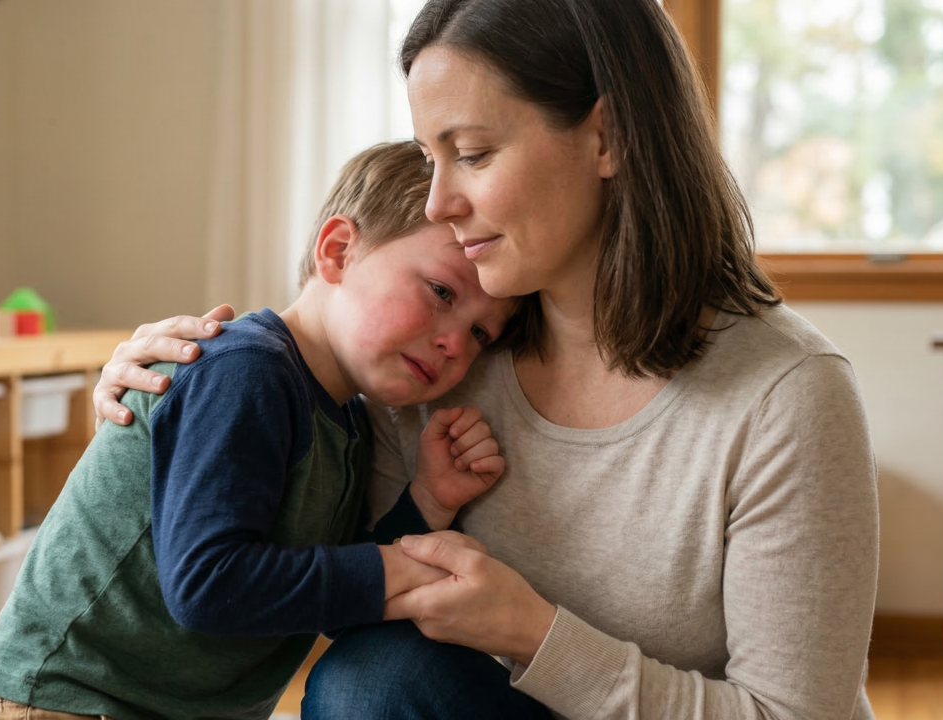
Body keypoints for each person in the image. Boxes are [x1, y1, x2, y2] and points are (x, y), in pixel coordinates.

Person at [93, 0, 881, 718]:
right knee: (374, 678)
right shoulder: (433, 364)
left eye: (470, 153)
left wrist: (536, 635)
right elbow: (283, 465)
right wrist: (164, 393)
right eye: (429, 158)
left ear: (608, 137)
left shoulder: (786, 395)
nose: (438, 202)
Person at [0, 141, 519, 720]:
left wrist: (426, 502)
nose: (455, 343)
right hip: (72, 700)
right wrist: (398, 569)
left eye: (480, 334)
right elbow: (209, 584)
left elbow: (330, 601)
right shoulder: (245, 372)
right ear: (338, 251)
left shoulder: (347, 418)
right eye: (440, 292)